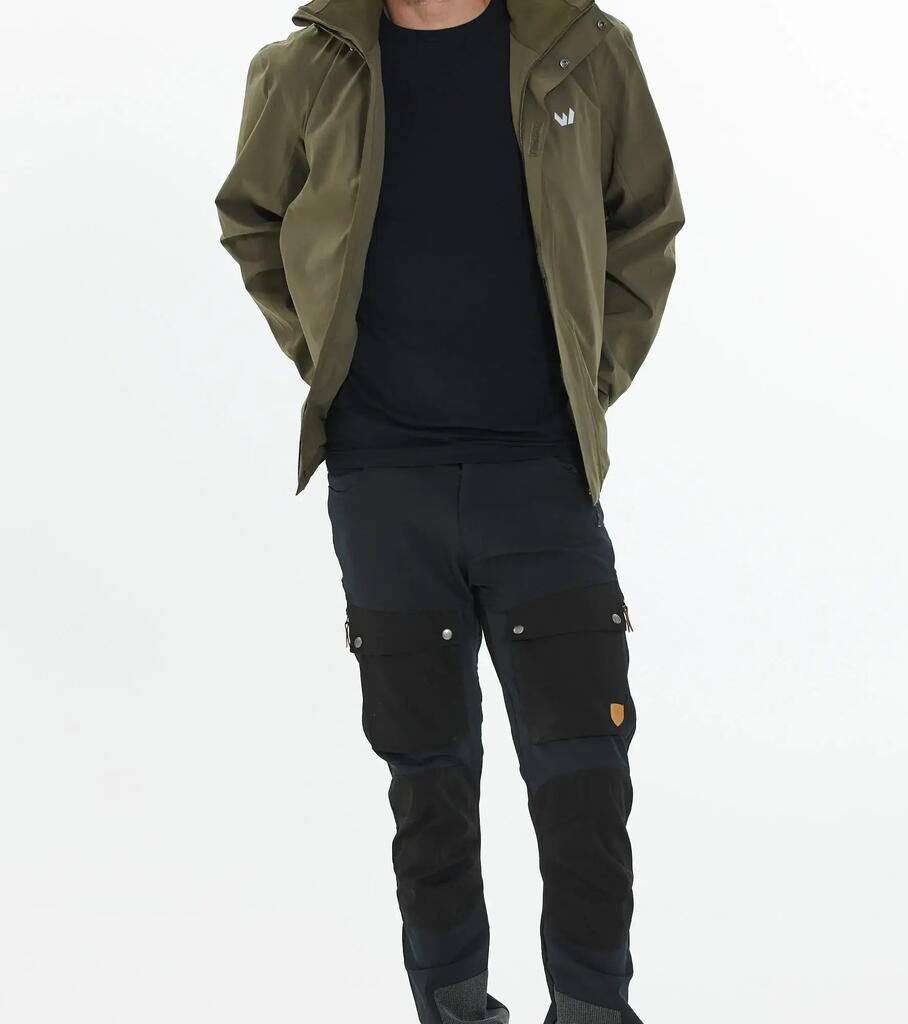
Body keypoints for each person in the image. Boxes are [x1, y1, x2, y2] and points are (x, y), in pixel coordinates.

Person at [216, 0, 683, 1020]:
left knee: (584, 774)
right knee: (426, 782)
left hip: (540, 475)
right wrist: (325, 355)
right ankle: (452, 1008)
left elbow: (645, 222)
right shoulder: (304, 68)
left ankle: (594, 1008)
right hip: (383, 482)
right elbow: (252, 219)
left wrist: (590, 377)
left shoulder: (586, 50)